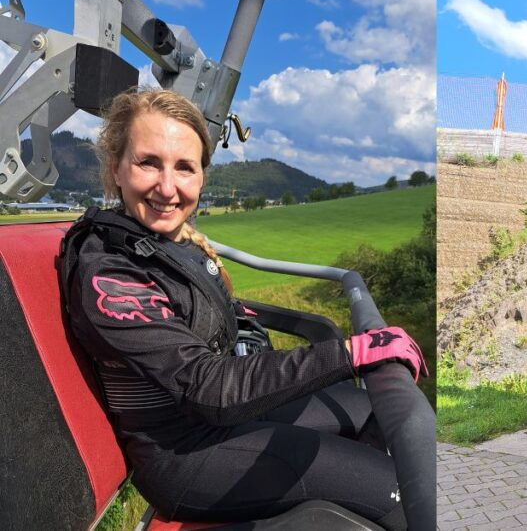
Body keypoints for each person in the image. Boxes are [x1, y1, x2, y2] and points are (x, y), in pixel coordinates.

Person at [59, 89, 432, 529]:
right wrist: (350, 353)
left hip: (217, 422)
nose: (167, 186)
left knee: (373, 414)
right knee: (408, 493)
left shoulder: (165, 247)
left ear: (201, 176)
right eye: (148, 163)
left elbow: (208, 321)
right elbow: (209, 387)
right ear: (115, 169)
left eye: (184, 167)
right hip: (185, 455)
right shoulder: (112, 275)